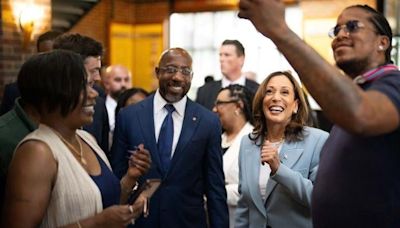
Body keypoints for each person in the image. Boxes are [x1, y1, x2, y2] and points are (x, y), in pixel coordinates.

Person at [238, 2, 400, 227]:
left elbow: (362, 114)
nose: (341, 35)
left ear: (382, 42)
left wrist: (280, 31)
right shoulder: (352, 99)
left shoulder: (392, 84)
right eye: (336, 30)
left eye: (352, 27)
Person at [2, 50, 151, 227]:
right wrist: (95, 224)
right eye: (83, 87)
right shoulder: (37, 151)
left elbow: (100, 201)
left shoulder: (86, 138)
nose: (94, 94)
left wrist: (130, 177)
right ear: (53, 94)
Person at [111, 47, 229, 228]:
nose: (178, 77)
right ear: (158, 72)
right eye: (171, 69)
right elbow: (117, 176)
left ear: (191, 76)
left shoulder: (208, 122)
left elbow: (215, 188)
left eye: (185, 71)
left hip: (188, 222)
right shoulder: (129, 117)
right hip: (140, 222)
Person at [235, 71, 329, 228]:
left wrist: (279, 169)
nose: (276, 98)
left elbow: (320, 199)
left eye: (285, 92)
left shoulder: (318, 140)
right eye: (269, 92)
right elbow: (245, 205)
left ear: (295, 105)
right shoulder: (247, 143)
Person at [53, 33, 110, 155]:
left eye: (99, 70)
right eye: (93, 71)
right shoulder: (49, 107)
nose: (98, 77)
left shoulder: (98, 105)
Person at [212, 84, 254, 228]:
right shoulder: (218, 138)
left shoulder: (255, 140)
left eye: (219, 104)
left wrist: (213, 190)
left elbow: (253, 188)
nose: (214, 109)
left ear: (238, 106)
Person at [0, 30, 62, 115]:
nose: (48, 61)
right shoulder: (14, 91)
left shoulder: (77, 90)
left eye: (53, 56)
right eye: (43, 55)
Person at [196, 39, 259, 110]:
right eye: (220, 55)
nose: (221, 59)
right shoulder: (205, 91)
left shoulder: (257, 91)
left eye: (227, 55)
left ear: (241, 59)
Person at [103, 64, 133, 136]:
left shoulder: (137, 106)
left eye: (126, 80)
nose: (123, 84)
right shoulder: (99, 107)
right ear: (106, 83)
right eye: (118, 80)